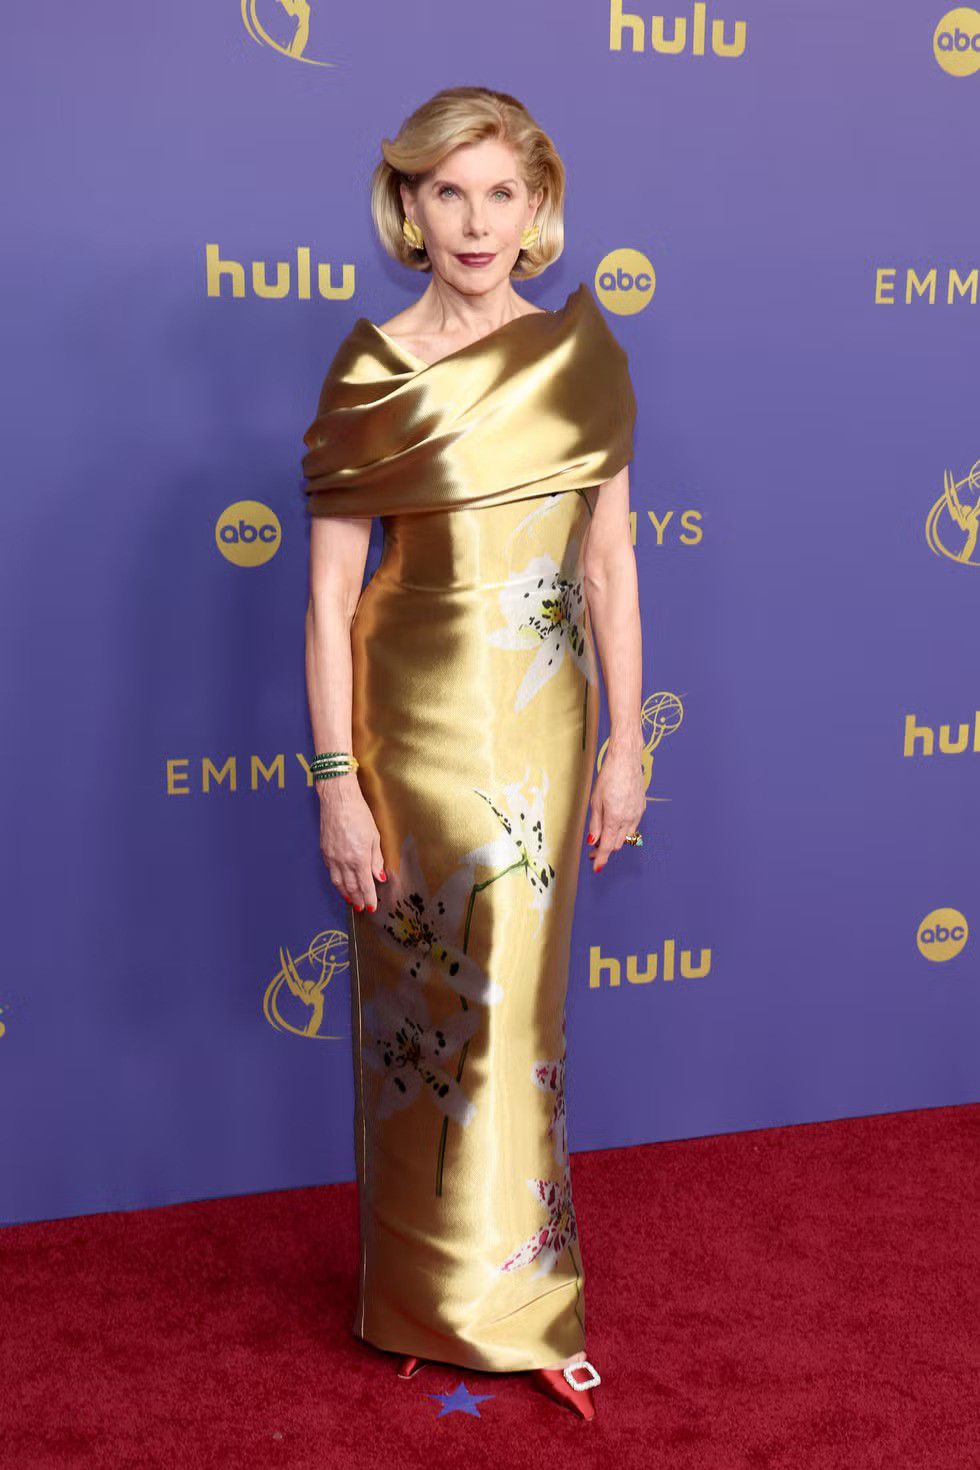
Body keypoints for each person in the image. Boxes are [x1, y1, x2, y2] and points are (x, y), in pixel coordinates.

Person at [301, 86, 646, 1422]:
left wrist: (628, 744)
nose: (476, 220)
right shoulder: (373, 368)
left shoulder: (582, 359)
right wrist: (337, 783)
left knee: (520, 1005)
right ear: (409, 205)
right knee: (418, 1018)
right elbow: (332, 596)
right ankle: (416, 1296)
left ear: (539, 207)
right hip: (410, 720)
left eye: (501, 191)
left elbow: (609, 565)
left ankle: (522, 1295)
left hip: (545, 714)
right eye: (449, 191)